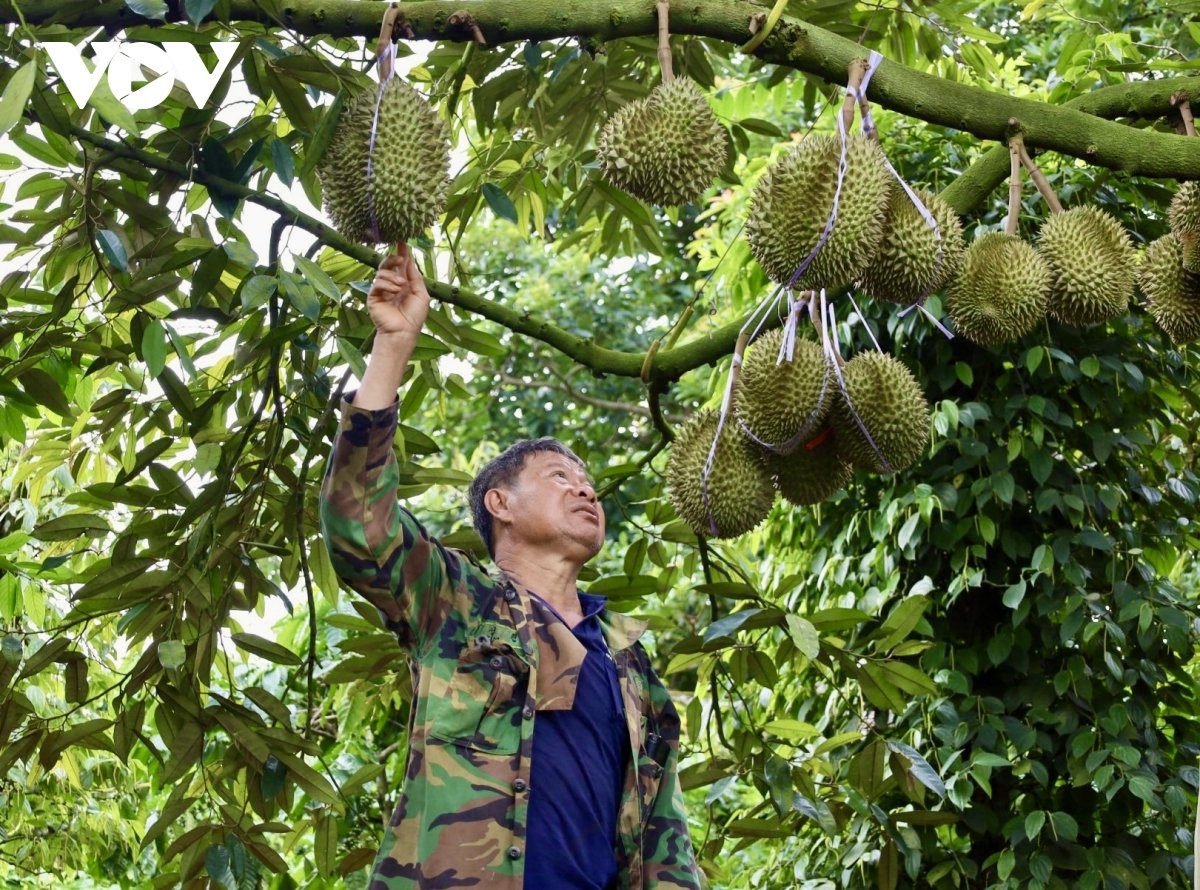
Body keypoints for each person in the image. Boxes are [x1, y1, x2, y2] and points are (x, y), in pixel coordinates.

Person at [319, 245, 703, 890]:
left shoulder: (631, 663)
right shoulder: (457, 602)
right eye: (560, 477)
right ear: (500, 504)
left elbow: (663, 834)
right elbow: (359, 522)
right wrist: (392, 348)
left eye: (589, 483)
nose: (586, 491)